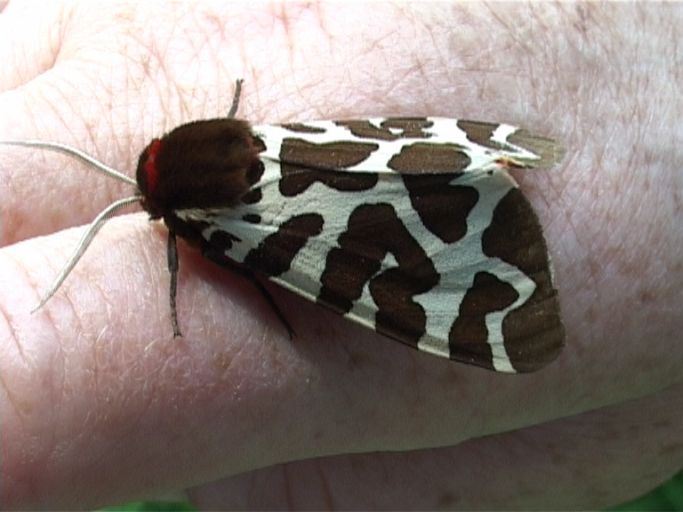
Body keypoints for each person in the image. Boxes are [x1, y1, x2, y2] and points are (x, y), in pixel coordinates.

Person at [0, 2, 681, 509]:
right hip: (318, 142)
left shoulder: (228, 231)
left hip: (322, 229)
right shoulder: (254, 144)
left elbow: (226, 258)